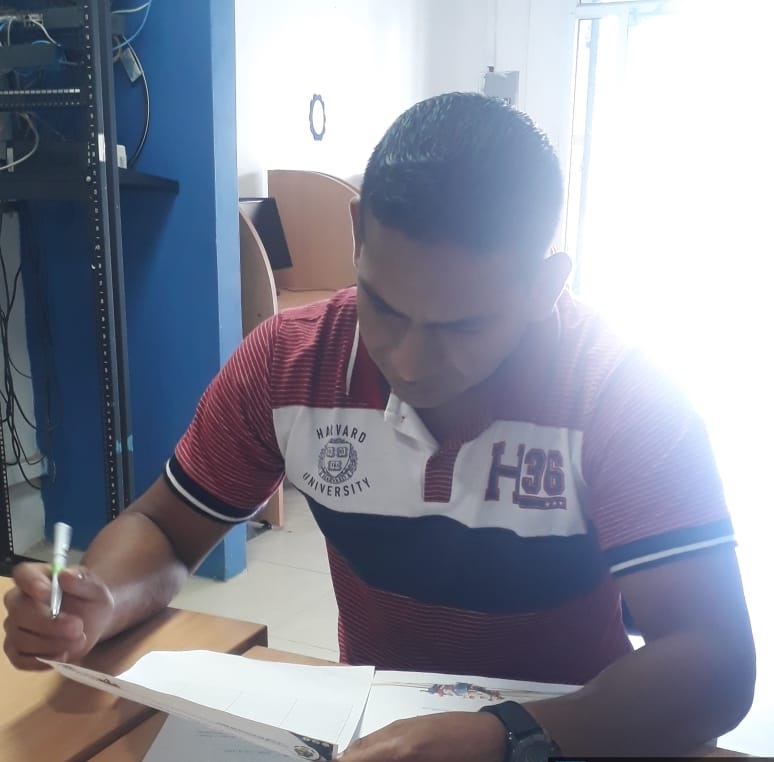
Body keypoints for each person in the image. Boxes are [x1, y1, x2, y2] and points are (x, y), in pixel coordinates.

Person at [3, 93, 755, 760]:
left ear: (544, 287)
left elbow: (717, 664)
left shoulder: (620, 398)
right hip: (369, 731)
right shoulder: (288, 363)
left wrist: (507, 735)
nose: (409, 360)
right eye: (384, 306)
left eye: (463, 327)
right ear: (357, 233)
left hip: (572, 732)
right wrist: (102, 597)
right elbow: (168, 530)